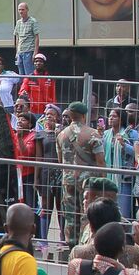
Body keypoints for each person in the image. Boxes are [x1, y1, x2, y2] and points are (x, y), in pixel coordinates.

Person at [56, 101, 105, 252]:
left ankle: (72, 248)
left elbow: (60, 160)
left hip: (68, 180)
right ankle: (86, 248)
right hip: (88, 182)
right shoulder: (93, 134)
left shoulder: (61, 135)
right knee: (87, 215)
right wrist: (103, 182)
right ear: (84, 115)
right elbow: (101, 162)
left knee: (70, 216)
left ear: (70, 115)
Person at [13, 2, 40, 75]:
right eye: (19, 10)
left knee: (29, 74)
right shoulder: (18, 22)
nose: (21, 11)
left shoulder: (33, 21)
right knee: (21, 75)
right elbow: (18, 38)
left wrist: (35, 52)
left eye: (22, 9)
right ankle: (23, 86)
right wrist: (17, 52)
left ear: (27, 10)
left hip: (29, 51)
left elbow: (36, 37)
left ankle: (30, 86)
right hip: (20, 52)